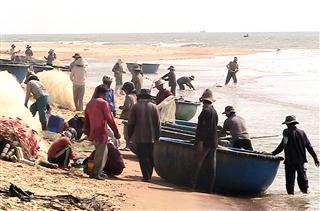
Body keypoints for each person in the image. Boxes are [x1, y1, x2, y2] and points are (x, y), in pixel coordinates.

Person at [271, 115, 319, 195]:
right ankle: (305, 197)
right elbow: (309, 146)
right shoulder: (302, 133)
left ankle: (290, 198)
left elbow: (283, 144)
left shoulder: (286, 131)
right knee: (302, 180)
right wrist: (315, 158)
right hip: (301, 161)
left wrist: (273, 153)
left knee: (290, 182)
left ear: (288, 124)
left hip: (290, 161)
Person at [85, 85, 121, 180]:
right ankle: (95, 172)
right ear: (103, 93)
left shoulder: (90, 103)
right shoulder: (103, 103)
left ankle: (95, 171)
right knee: (101, 154)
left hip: (93, 132)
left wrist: (88, 132)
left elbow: (87, 120)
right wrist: (116, 132)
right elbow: (109, 119)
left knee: (98, 153)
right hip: (101, 132)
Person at [127, 89, 161, 182]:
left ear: (140, 97)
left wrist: (129, 136)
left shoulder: (135, 107)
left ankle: (146, 176)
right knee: (150, 156)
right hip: (151, 137)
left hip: (140, 136)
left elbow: (131, 123)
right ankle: (149, 174)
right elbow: (157, 124)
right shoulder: (154, 107)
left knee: (142, 156)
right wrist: (158, 137)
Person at [191, 89, 218, 192]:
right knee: (211, 167)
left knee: (196, 164)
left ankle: (192, 186)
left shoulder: (205, 112)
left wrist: (200, 142)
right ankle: (209, 189)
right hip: (213, 143)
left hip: (205, 143)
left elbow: (204, 129)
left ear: (203, 101)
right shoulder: (214, 111)